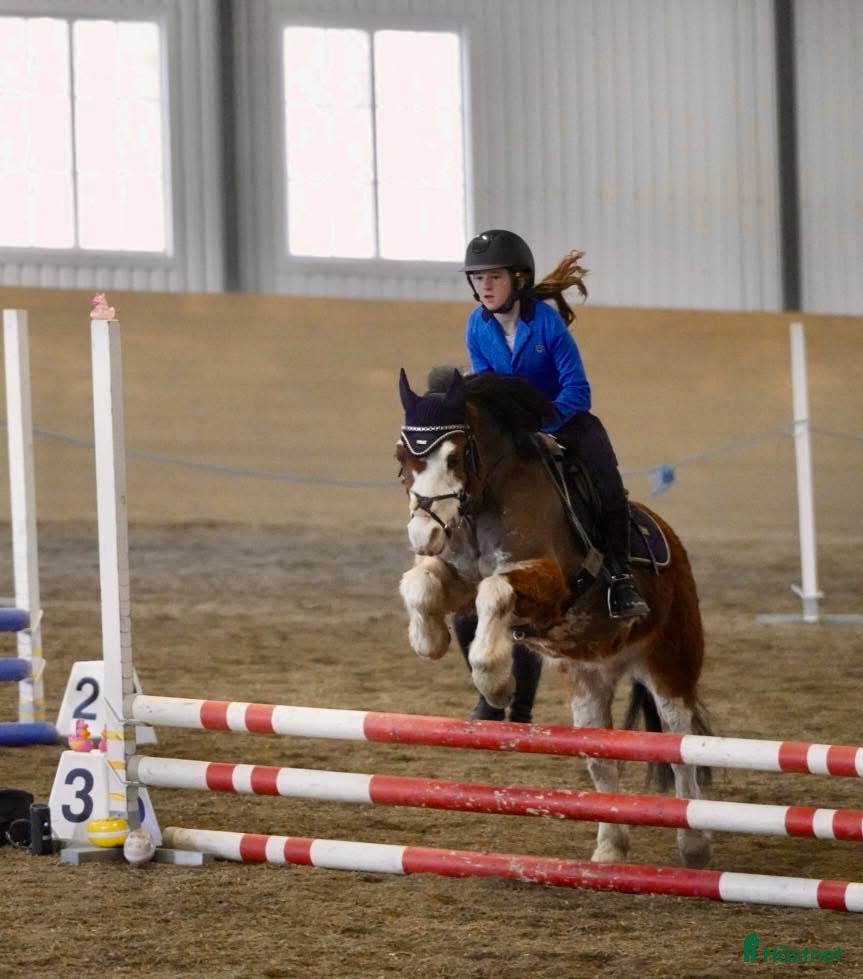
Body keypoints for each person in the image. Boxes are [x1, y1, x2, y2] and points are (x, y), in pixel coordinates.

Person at [455, 228, 648, 723]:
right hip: (518, 432)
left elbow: (578, 391)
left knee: (607, 484)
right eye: (477, 279)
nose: (484, 287)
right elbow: (487, 390)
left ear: (518, 279)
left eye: (493, 277)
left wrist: (544, 428)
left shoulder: (548, 328)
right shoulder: (477, 327)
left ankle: (622, 577)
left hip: (569, 420)